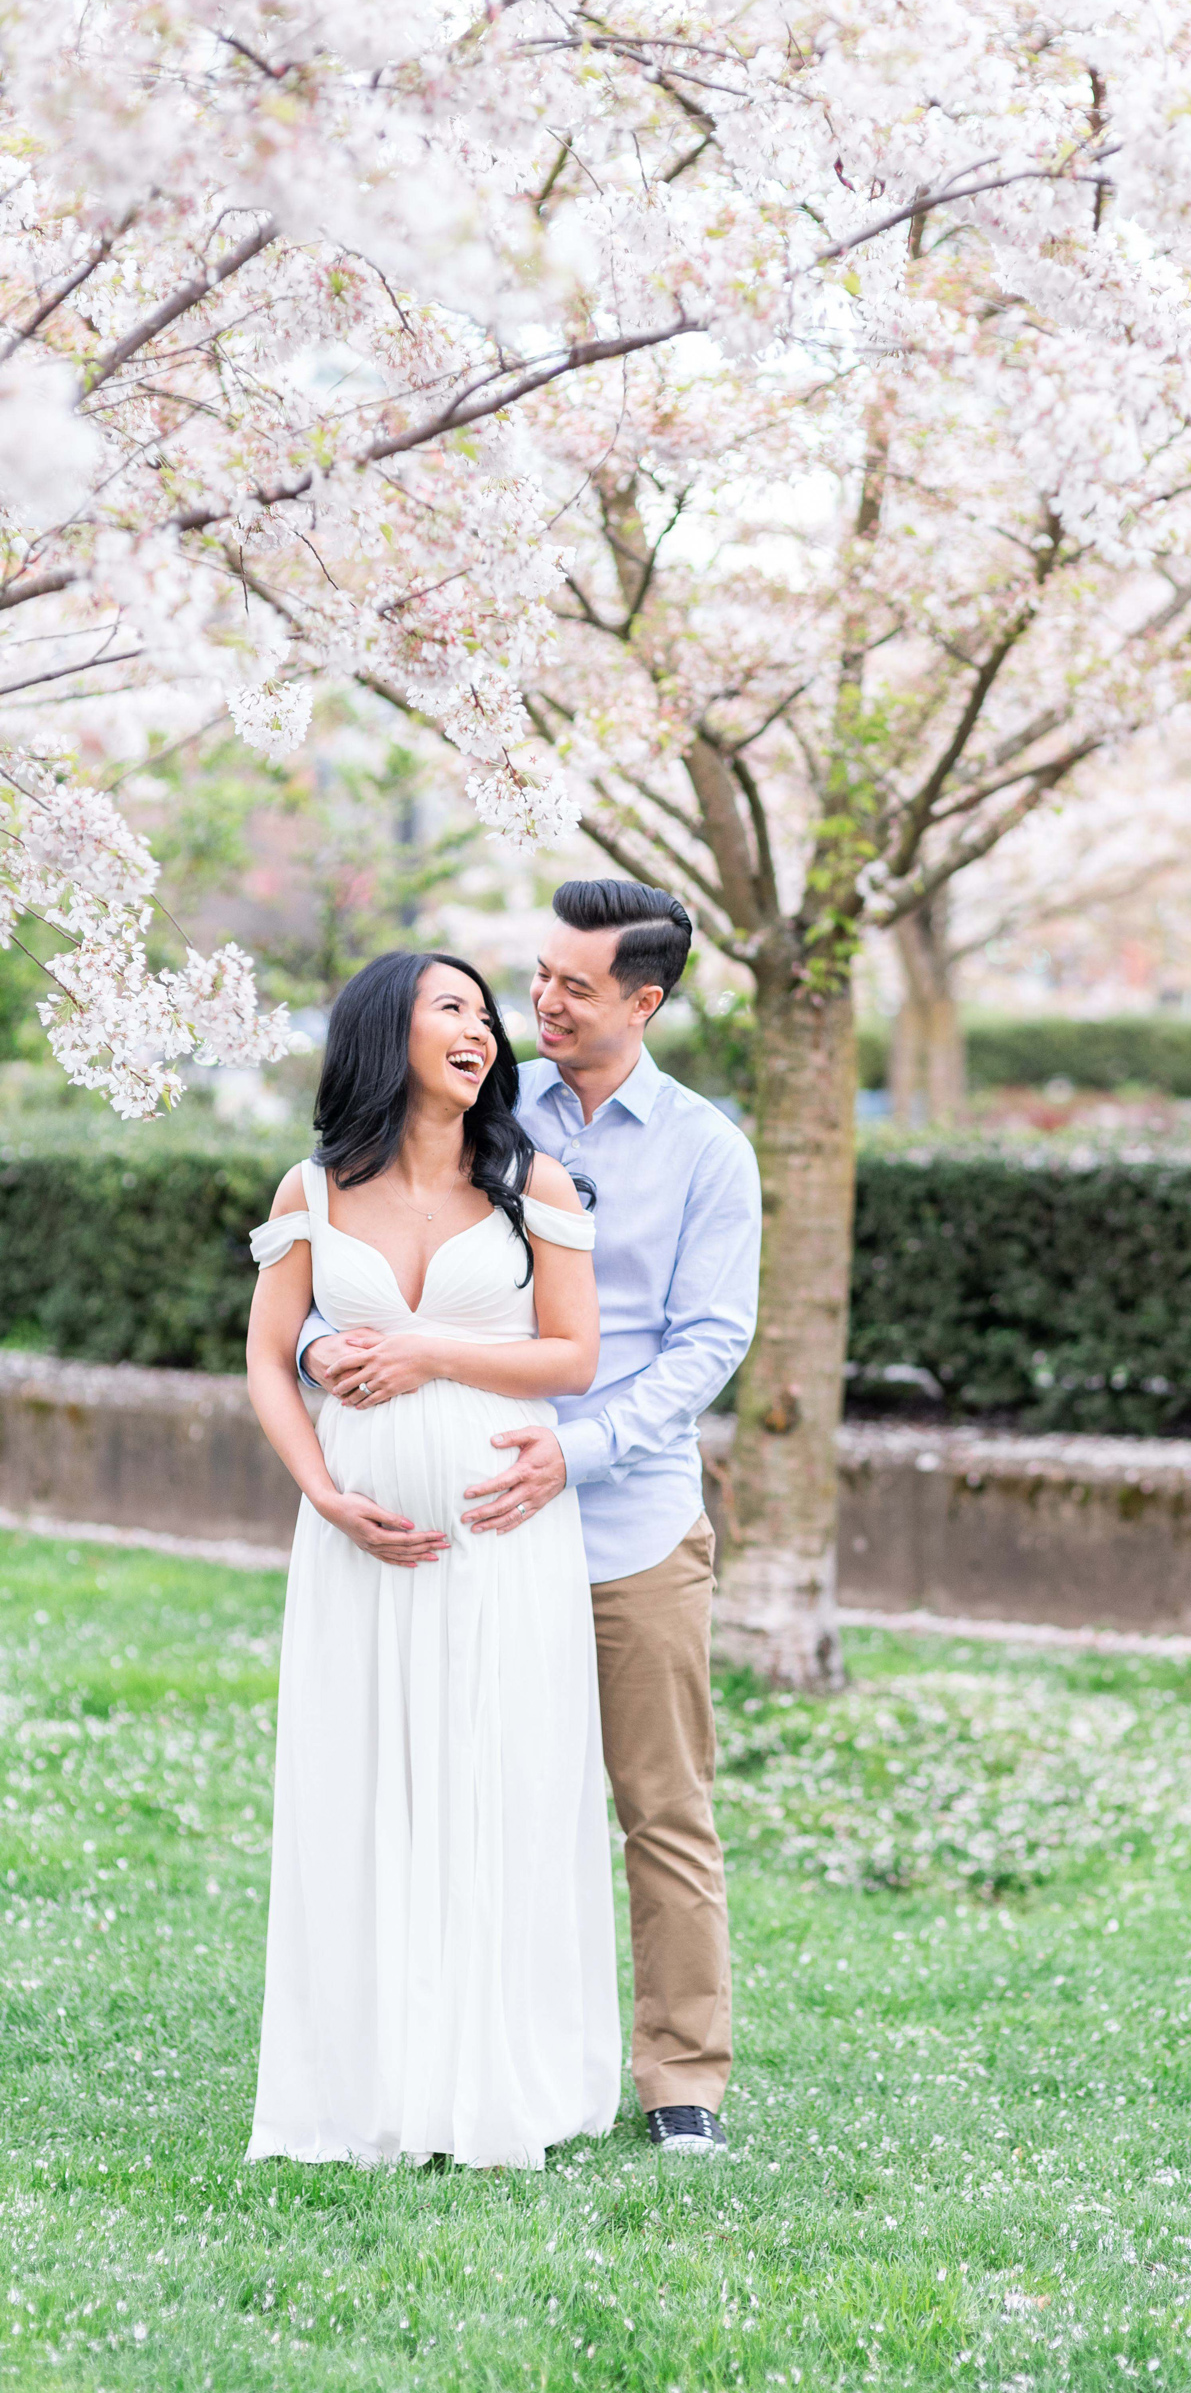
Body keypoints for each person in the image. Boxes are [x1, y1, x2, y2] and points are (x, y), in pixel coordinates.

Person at [301, 882, 762, 2158]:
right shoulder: (489, 1114)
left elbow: (709, 1341)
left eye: (573, 986)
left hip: (624, 1529)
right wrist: (333, 1364)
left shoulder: (707, 1149)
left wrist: (577, 1450)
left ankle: (682, 2081)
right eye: (536, 978)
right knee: (476, 1795)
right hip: (476, 1534)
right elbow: (364, 1260)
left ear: (643, 1002)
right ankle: (465, 2058)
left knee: (659, 1805)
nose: (537, 1004)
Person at [244, 950, 619, 2169]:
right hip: (355, 1545)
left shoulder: (532, 1181)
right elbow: (266, 1355)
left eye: (484, 1015)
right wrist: (325, 1494)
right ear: (379, 1032)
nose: (481, 1030)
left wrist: (430, 1352)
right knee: (358, 1792)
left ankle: (493, 2081)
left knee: (493, 1777)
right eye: (449, 1008)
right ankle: (366, 2088)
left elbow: (572, 1356)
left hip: (502, 1535)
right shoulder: (312, 1187)